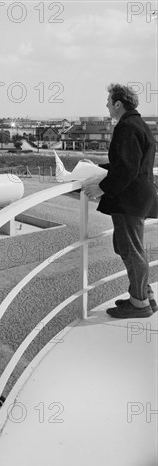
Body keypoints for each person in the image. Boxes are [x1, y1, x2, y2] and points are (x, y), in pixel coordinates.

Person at [82, 83, 158, 318]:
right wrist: (98, 168)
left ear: (118, 103)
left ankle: (140, 304)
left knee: (130, 249)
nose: (106, 105)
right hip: (139, 196)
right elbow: (130, 163)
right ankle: (144, 296)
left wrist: (101, 188)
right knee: (129, 247)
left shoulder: (126, 127)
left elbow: (127, 168)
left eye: (108, 101)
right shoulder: (139, 124)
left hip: (130, 199)